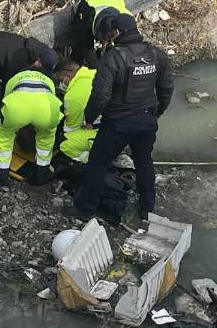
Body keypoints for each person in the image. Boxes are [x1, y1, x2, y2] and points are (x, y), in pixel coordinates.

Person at [67, 13, 173, 221]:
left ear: (117, 32)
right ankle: (147, 208)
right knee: (144, 162)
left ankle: (85, 209)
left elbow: (101, 94)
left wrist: (89, 117)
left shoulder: (113, 57)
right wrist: (159, 111)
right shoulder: (157, 55)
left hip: (117, 123)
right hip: (146, 120)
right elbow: (167, 87)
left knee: (98, 164)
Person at [0, 68, 62, 186]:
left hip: (18, 107)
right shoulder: (48, 80)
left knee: (4, 135)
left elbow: (6, 100)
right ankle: (42, 175)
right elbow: (50, 96)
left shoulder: (14, 78)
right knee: (46, 138)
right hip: (47, 109)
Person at [52, 58, 98, 164]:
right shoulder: (94, 72)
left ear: (67, 75)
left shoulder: (73, 97)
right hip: (124, 125)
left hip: (105, 134)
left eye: (59, 80)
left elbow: (71, 129)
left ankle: (91, 160)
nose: (59, 84)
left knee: (63, 143)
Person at [67, 0, 130, 65]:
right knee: (78, 41)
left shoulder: (126, 21)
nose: (103, 42)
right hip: (91, 0)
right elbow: (88, 50)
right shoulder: (87, 19)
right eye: (102, 39)